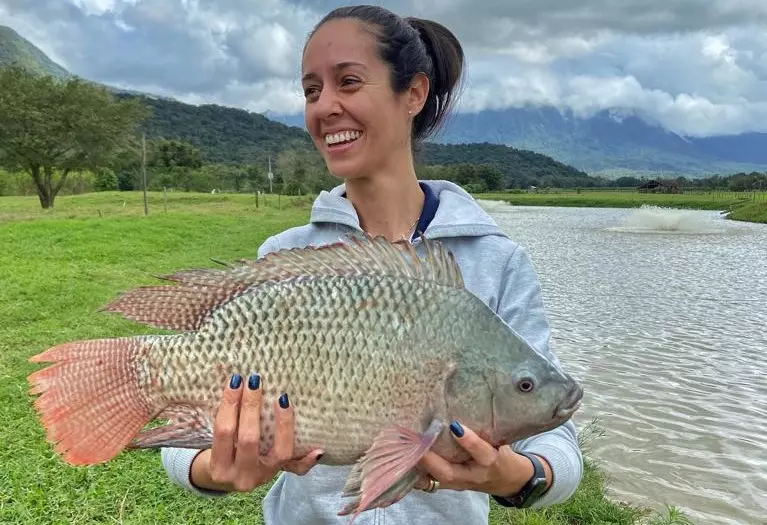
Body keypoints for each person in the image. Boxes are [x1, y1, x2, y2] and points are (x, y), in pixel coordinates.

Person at [161, 5, 583, 523]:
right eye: (312, 90)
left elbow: (558, 440)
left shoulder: (497, 262)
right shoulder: (284, 257)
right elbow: (186, 437)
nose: (325, 107)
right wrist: (214, 467)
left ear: (414, 93)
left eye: (349, 81)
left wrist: (518, 476)